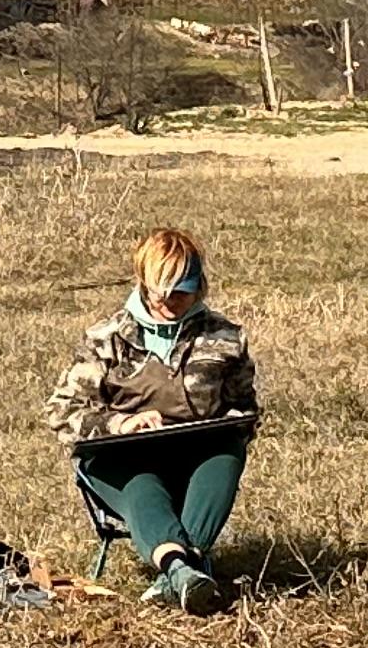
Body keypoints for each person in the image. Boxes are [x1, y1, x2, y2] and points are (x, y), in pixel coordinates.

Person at [47, 227, 262, 614]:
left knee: (227, 452)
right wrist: (120, 425)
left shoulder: (226, 339)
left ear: (200, 286)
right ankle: (182, 569)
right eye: (158, 288)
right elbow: (62, 412)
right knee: (142, 485)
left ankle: (178, 575)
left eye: (180, 290)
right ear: (142, 283)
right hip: (121, 459)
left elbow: (245, 411)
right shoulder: (105, 339)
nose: (167, 300)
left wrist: (227, 423)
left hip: (196, 459)